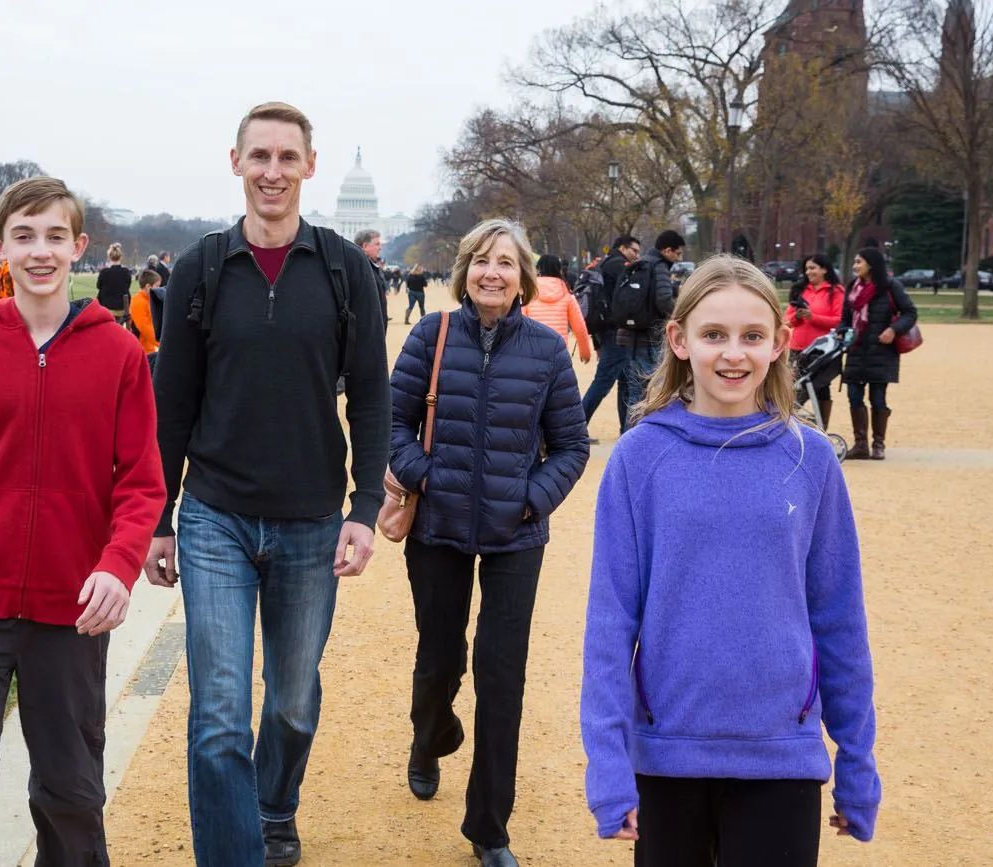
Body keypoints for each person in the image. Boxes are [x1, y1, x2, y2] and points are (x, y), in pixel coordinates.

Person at [143, 101, 390, 867]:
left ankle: (275, 805)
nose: (273, 171)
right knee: (219, 716)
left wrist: (364, 507)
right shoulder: (202, 267)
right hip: (215, 514)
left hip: (311, 518)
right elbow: (172, 402)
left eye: (287, 157)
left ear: (310, 166)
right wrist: (159, 516)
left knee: (291, 704)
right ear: (236, 163)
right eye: (260, 156)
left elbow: (372, 395)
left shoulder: (347, 270)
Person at [0, 176, 165, 866]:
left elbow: (141, 482)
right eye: (24, 236)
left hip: (70, 609)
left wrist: (118, 564)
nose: (39, 251)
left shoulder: (118, 354)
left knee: (70, 790)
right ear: (0, 247)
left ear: (78, 246)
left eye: (54, 236)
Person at [581, 255, 881, 867]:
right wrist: (608, 766)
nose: (733, 354)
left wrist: (857, 762)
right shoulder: (639, 458)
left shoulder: (811, 460)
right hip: (667, 753)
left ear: (779, 343)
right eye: (714, 334)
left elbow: (839, 620)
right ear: (679, 340)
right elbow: (610, 625)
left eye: (752, 336)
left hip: (781, 754)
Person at [390, 219, 589, 867]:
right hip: (438, 525)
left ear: (523, 276)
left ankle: (489, 826)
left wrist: (531, 498)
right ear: (464, 271)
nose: (492, 272)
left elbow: (572, 445)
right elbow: (391, 423)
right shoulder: (432, 335)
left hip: (515, 531)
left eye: (505, 262)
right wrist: (425, 477)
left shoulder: (546, 349)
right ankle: (429, 735)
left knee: (502, 675)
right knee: (439, 658)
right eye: (481, 260)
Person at [840, 247, 918, 460]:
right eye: (855, 262)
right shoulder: (853, 287)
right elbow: (845, 317)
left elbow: (910, 312)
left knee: (878, 398)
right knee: (854, 396)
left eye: (859, 262)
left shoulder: (890, 286)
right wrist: (841, 331)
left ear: (871, 264)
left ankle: (878, 444)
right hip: (856, 350)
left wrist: (894, 329)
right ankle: (860, 444)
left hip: (882, 351)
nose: (855, 266)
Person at [615, 230, 683, 425]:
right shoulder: (659, 266)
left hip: (633, 336)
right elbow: (664, 301)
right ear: (667, 250)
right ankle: (642, 434)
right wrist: (682, 315)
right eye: (677, 253)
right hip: (650, 337)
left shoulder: (642, 262)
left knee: (635, 394)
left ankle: (628, 435)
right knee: (654, 392)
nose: (679, 258)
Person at [579, 235, 641, 441]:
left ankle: (626, 430)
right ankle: (576, 428)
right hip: (615, 331)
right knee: (604, 381)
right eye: (634, 250)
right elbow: (627, 298)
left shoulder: (604, 263)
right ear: (622, 248)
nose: (637, 255)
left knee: (625, 381)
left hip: (607, 329)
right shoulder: (618, 266)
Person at [787, 253, 845, 429]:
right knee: (792, 386)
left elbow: (839, 320)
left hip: (822, 350)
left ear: (824, 269)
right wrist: (798, 316)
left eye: (813, 268)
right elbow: (787, 320)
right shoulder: (800, 290)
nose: (808, 272)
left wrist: (813, 317)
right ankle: (789, 422)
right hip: (798, 348)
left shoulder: (835, 291)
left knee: (819, 387)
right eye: (806, 268)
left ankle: (821, 427)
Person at [525, 254, 591, 363]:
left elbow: (519, 324)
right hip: (559, 352)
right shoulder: (567, 294)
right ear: (559, 269)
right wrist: (585, 352)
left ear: (538, 268)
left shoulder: (529, 293)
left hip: (534, 352)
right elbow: (579, 326)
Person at [356, 229, 390, 325]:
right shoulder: (361, 268)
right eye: (377, 244)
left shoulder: (370, 266)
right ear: (365, 246)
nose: (380, 247)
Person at [128, 267, 161, 358]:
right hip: (140, 349)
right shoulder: (138, 302)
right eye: (157, 286)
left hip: (149, 347)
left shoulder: (149, 299)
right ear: (148, 286)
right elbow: (145, 327)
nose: (159, 289)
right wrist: (161, 343)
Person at [96, 242, 132, 317]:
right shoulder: (126, 272)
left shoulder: (104, 272)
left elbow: (98, 286)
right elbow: (128, 286)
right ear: (121, 257)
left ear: (109, 257)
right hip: (122, 307)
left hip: (106, 307)